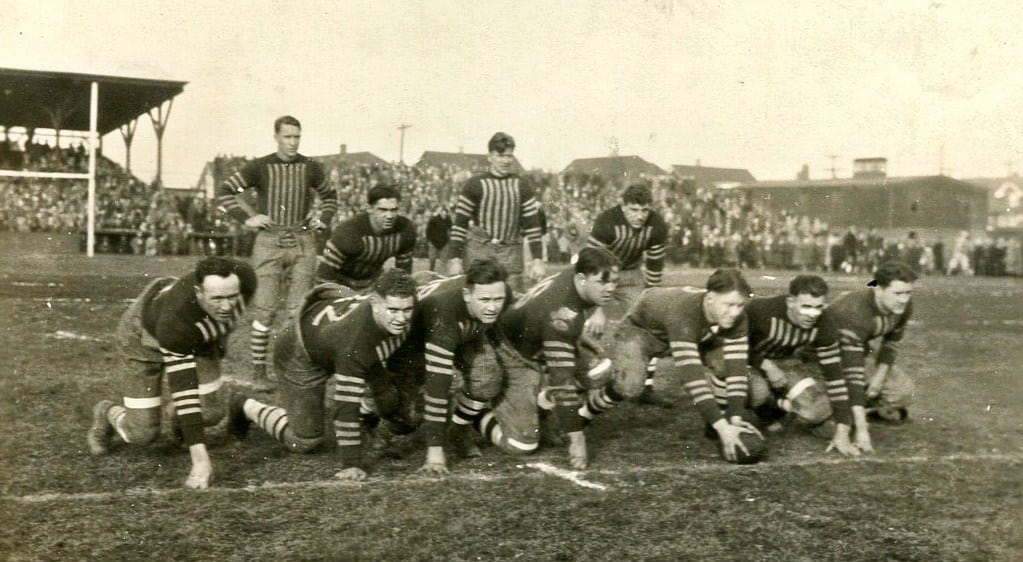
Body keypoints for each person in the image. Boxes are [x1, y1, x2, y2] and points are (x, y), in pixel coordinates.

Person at [227, 269, 417, 481]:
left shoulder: (388, 316)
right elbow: (345, 404)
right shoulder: (355, 342)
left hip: (335, 335)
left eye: (407, 309)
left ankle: (365, 419)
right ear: (374, 302)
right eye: (393, 310)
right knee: (305, 441)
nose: (401, 318)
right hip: (300, 352)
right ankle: (245, 405)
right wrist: (351, 463)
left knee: (388, 398)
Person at [86, 257, 257, 489]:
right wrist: (200, 461)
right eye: (217, 298)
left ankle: (180, 422)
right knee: (143, 434)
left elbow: (228, 316)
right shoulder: (175, 324)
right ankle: (106, 412)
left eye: (231, 297)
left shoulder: (246, 279)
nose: (226, 306)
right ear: (198, 292)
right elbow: (183, 388)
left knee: (212, 411)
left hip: (194, 334)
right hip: (142, 338)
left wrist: (218, 341)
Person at [450, 247, 620, 469]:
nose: (610, 288)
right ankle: (475, 414)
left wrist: (583, 328)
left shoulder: (576, 276)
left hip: (538, 336)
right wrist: (577, 439)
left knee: (601, 369)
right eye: (602, 282)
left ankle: (541, 407)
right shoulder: (562, 314)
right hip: (513, 352)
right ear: (581, 278)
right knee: (522, 445)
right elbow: (561, 378)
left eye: (614, 281)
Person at [216, 115, 338, 389]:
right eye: (287, 137)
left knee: (298, 309)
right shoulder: (259, 167)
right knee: (266, 308)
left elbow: (330, 196)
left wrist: (323, 218)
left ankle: (293, 369)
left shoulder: (310, 167)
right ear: (276, 137)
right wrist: (247, 218)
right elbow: (225, 191)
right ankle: (259, 372)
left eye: (297, 137)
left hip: (302, 239)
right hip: (269, 240)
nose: (293, 142)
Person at [592, 269, 761, 463]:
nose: (735, 312)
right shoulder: (685, 312)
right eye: (729, 304)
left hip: (693, 332)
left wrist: (735, 419)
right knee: (629, 388)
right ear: (710, 298)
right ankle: (585, 412)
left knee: (725, 365)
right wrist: (724, 428)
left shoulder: (736, 317)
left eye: (740, 305)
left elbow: (737, 370)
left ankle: (715, 425)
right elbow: (693, 377)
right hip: (643, 330)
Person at [381, 260, 511, 476]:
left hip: (463, 330)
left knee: (488, 376)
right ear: (468, 295)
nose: (492, 306)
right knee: (407, 418)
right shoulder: (443, 312)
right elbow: (438, 382)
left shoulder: (499, 292)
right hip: (411, 345)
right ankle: (371, 423)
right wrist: (434, 451)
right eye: (485, 299)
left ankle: (458, 430)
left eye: (498, 299)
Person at [743, 275, 859, 456]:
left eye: (818, 307)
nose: (813, 314)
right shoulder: (761, 310)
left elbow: (835, 376)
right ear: (790, 302)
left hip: (785, 362)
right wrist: (765, 365)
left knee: (814, 411)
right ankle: (768, 409)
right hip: (745, 362)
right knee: (758, 390)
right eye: (806, 306)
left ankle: (780, 403)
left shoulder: (825, 323)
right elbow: (733, 346)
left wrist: (843, 432)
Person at [584, 181, 671, 407]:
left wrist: (651, 300)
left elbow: (653, 268)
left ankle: (645, 386)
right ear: (623, 206)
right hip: (600, 273)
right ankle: (584, 380)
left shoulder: (657, 226)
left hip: (631, 274)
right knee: (590, 326)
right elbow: (592, 263)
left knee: (649, 324)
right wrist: (597, 309)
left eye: (644, 210)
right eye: (634, 209)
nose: (640, 216)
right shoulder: (606, 221)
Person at [829, 260, 917, 454]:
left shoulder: (902, 306)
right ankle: (845, 409)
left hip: (857, 349)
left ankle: (854, 406)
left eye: (907, 293)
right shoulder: (853, 312)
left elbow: (891, 343)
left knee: (902, 392)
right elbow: (853, 375)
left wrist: (878, 378)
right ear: (878, 290)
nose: (904, 299)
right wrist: (862, 431)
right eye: (898, 293)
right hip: (821, 356)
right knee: (823, 416)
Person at [446, 132, 545, 293]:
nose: (506, 160)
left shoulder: (522, 185)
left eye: (509, 156)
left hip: (510, 252)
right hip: (480, 252)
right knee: (478, 298)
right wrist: (455, 258)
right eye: (500, 155)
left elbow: (532, 226)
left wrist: (538, 259)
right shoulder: (475, 184)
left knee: (511, 301)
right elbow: (459, 225)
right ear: (490, 156)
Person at [315, 184, 417, 290]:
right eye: (382, 210)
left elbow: (403, 273)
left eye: (394, 210)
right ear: (369, 208)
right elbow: (324, 276)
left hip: (373, 283)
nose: (389, 216)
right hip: (340, 284)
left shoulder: (405, 229)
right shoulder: (349, 231)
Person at [425, 205, 452, 272]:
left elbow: (451, 228)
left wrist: (449, 239)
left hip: (444, 242)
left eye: (445, 213)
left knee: (443, 260)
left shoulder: (448, 219)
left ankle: (442, 274)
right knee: (432, 259)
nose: (444, 214)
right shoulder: (434, 219)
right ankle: (431, 271)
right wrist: (429, 240)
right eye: (443, 213)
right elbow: (428, 230)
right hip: (434, 242)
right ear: (440, 213)